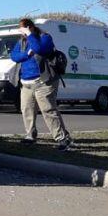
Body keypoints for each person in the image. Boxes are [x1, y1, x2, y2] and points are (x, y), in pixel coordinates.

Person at [10, 18, 72, 151]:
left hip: (44, 81)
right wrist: (26, 54)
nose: (22, 32)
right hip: (26, 82)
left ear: (31, 27)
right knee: (27, 109)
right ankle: (30, 136)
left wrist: (31, 35)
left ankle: (62, 138)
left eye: (24, 29)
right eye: (21, 30)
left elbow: (39, 49)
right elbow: (14, 56)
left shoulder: (45, 37)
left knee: (48, 110)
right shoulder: (22, 41)